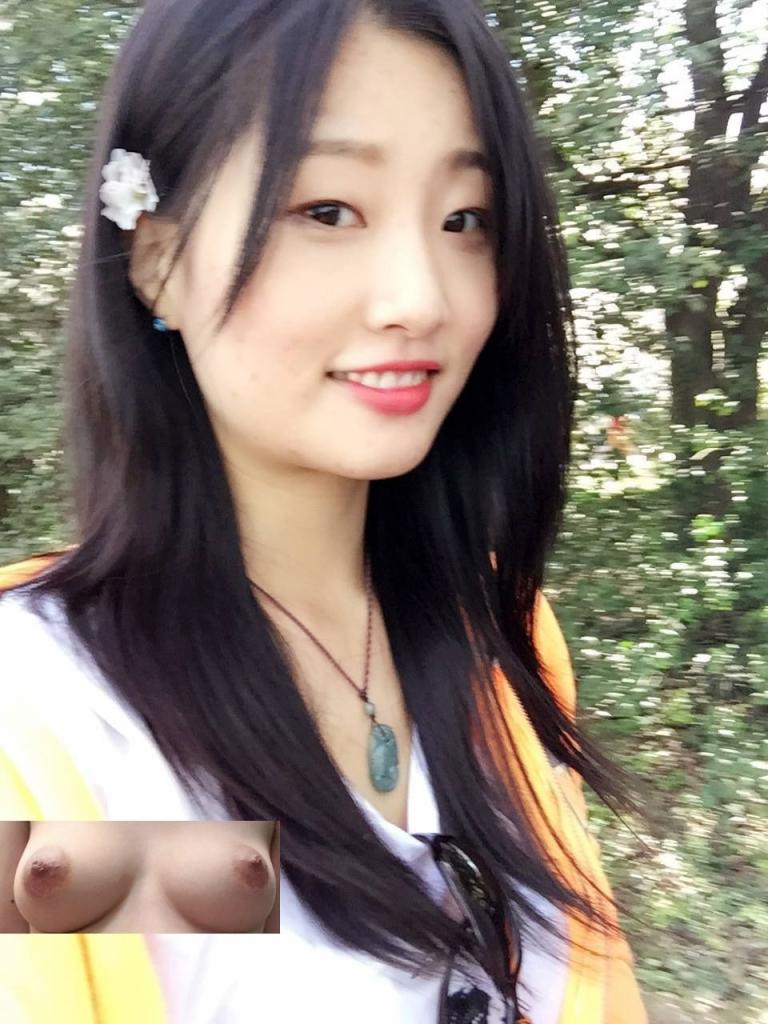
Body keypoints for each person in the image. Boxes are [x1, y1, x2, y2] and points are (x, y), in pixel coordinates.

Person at [0, 0, 649, 1020]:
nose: (421, 298)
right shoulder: (47, 723)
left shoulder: (500, 635)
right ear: (157, 258)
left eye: (465, 219)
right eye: (328, 210)